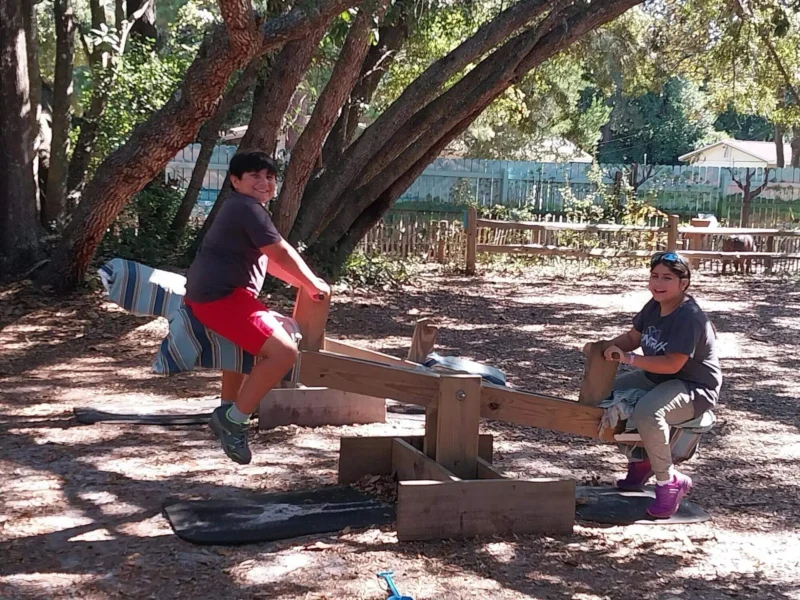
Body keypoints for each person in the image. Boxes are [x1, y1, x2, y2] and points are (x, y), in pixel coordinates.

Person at [184, 151, 330, 465]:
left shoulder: (244, 209)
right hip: (220, 298)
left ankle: (226, 407)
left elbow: (267, 260)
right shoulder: (246, 208)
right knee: (283, 352)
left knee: (244, 348)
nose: (264, 183)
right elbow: (280, 252)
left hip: (217, 295)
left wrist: (301, 283)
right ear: (235, 181)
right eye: (254, 176)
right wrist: (312, 282)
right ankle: (235, 420)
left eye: (269, 177)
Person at [585, 252, 722, 518]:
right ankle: (642, 460)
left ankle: (669, 481)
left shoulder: (689, 317)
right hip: (659, 378)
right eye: (654, 276)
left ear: (684, 284)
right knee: (605, 394)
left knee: (649, 412)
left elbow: (672, 364)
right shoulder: (655, 304)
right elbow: (632, 336)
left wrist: (629, 359)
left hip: (693, 386)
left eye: (667, 278)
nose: (658, 283)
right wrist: (601, 349)